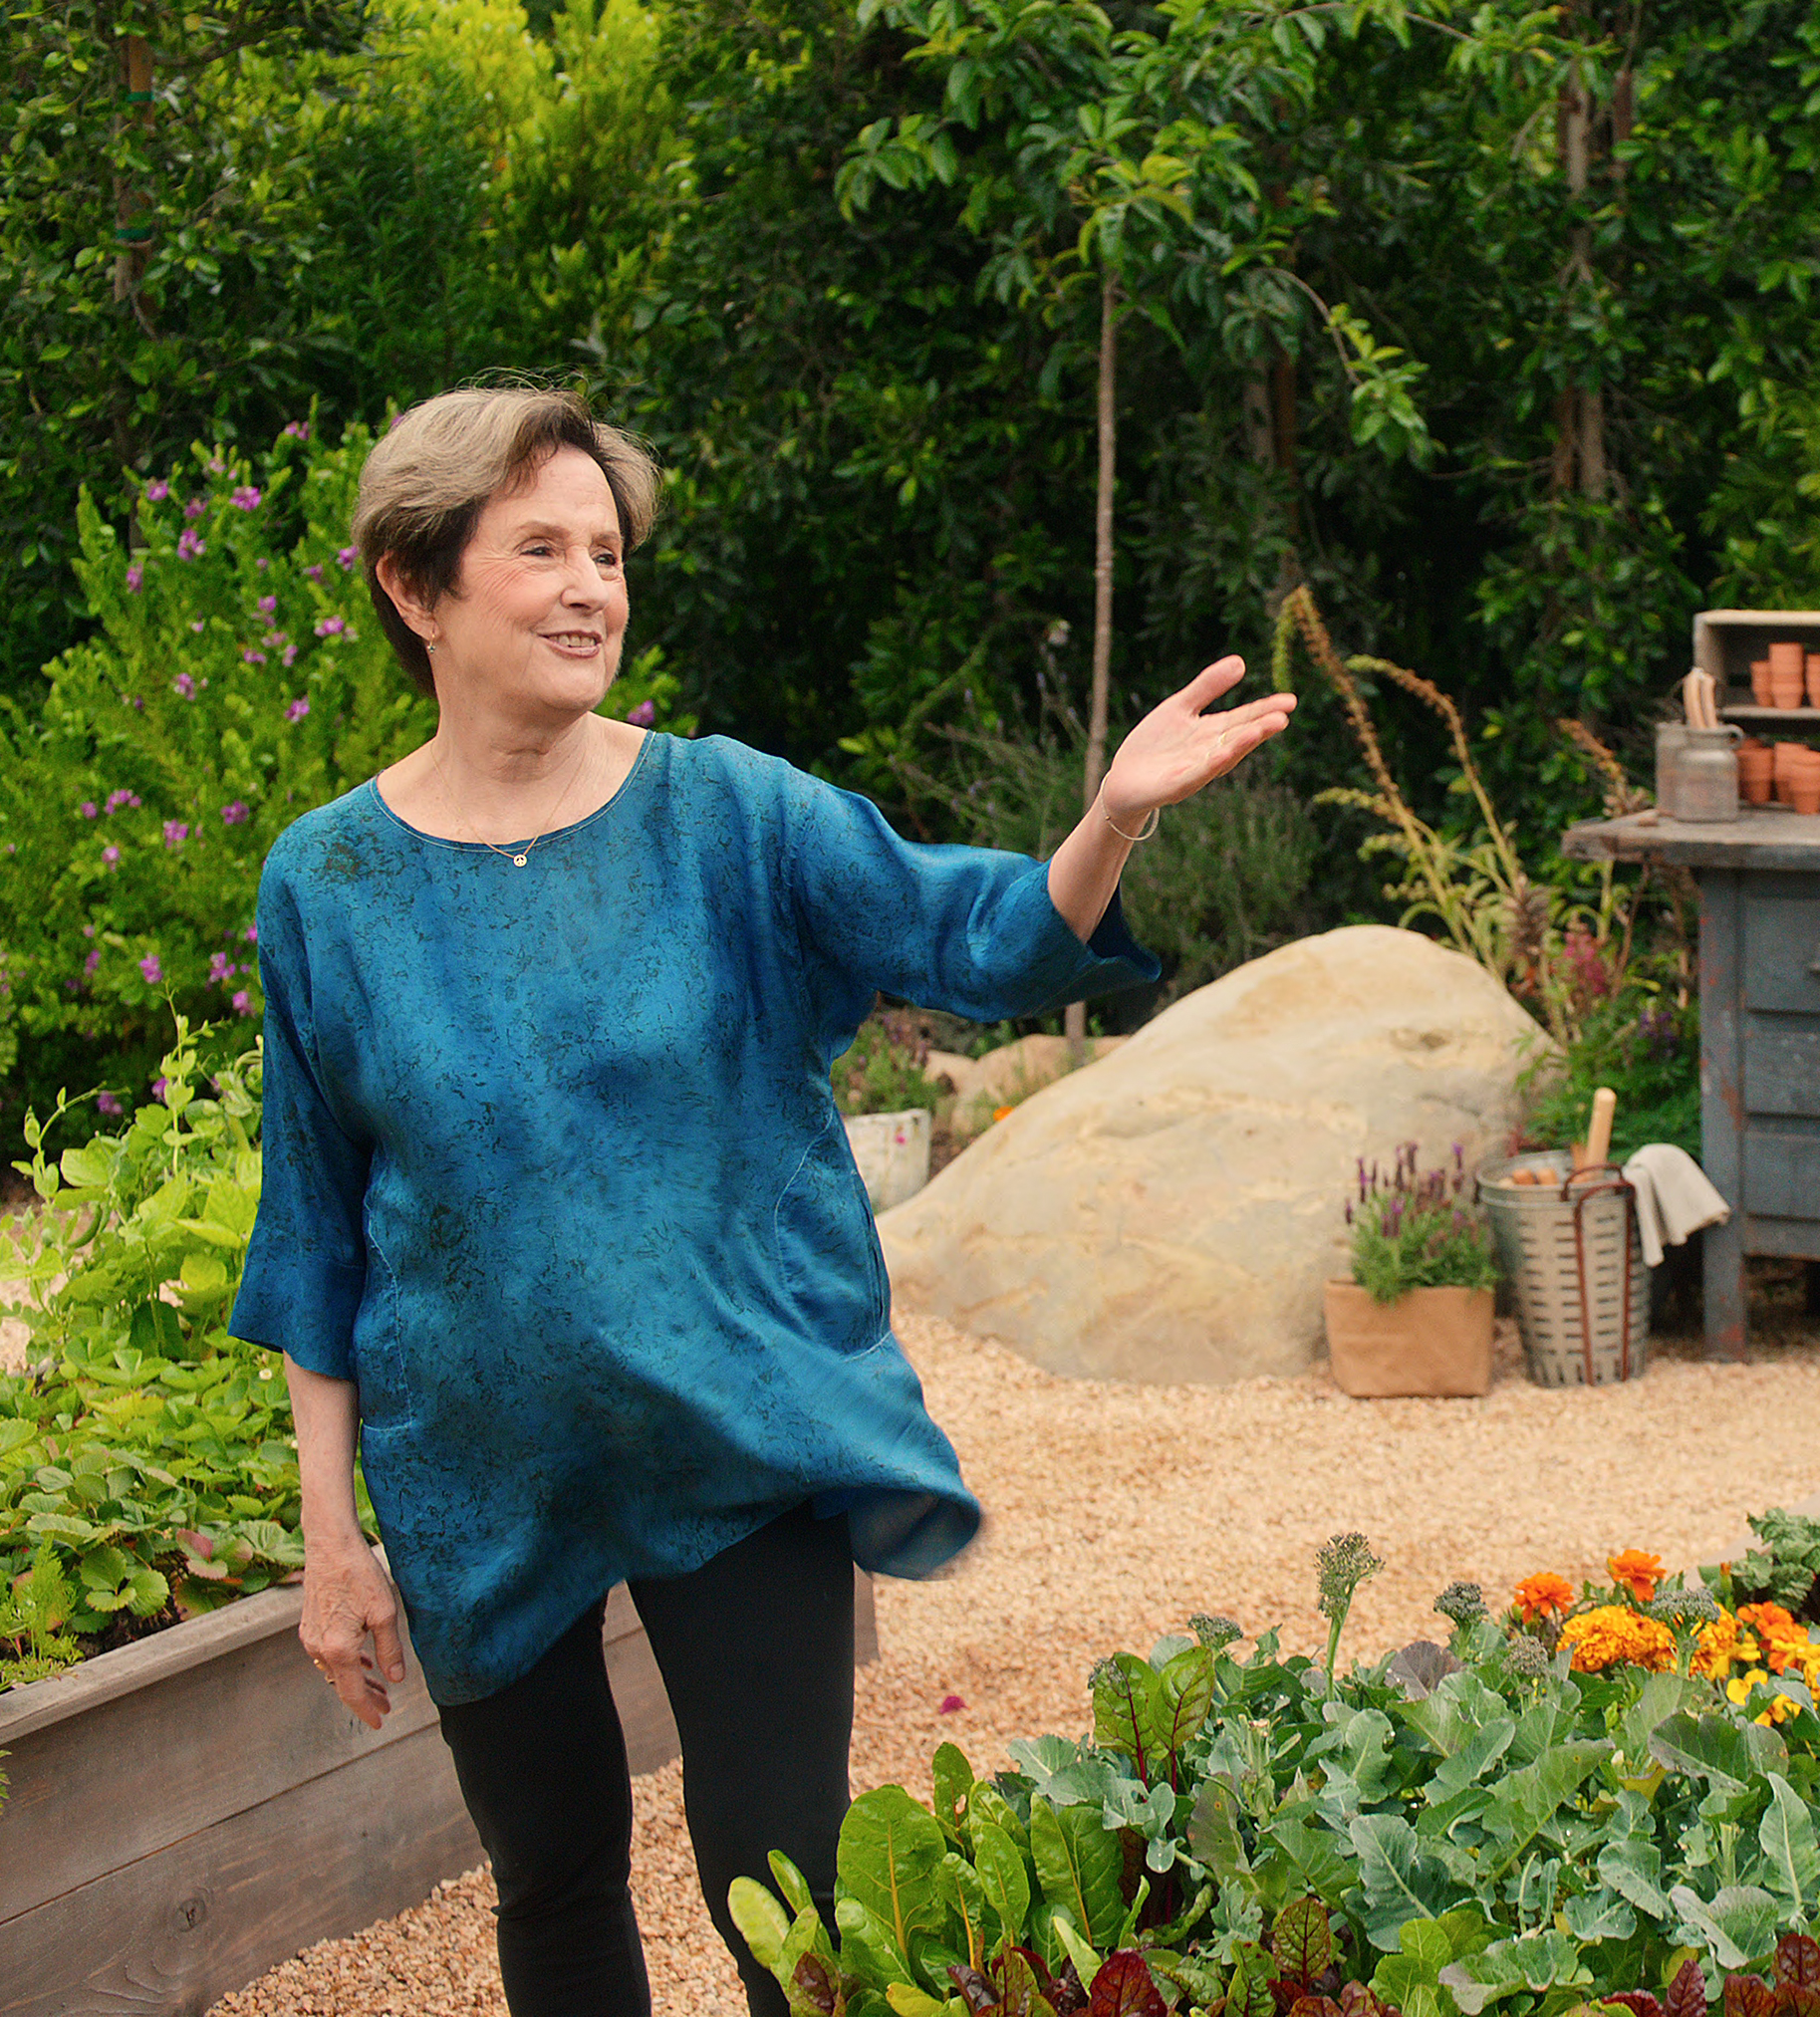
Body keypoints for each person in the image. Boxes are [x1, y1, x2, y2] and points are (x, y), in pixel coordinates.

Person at [230, 383, 1292, 2017]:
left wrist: (1110, 819)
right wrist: (330, 1538)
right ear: (413, 583)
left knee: (785, 1879)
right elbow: (312, 1222)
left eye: (608, 548)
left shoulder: (724, 812)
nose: (594, 584)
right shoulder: (328, 881)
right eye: (541, 549)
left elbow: (980, 936)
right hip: (478, 1470)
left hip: (739, 1425)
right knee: (554, 1877)